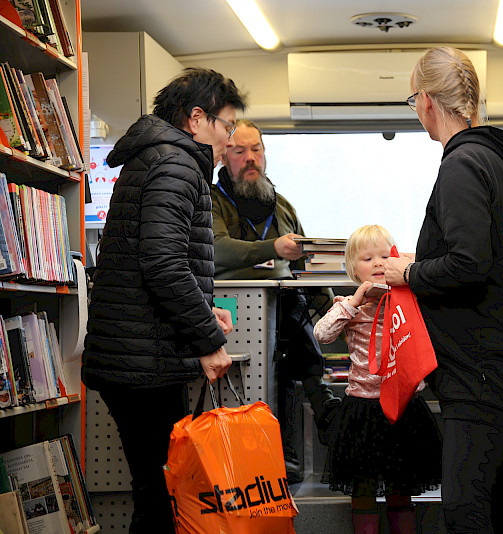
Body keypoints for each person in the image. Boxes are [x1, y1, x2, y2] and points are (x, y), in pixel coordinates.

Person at [384, 47, 503, 534]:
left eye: (413, 99)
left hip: (482, 373)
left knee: (463, 506)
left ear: (428, 100)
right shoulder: (488, 159)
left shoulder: (460, 164)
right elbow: (479, 253)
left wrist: (407, 275)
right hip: (500, 362)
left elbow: (469, 264)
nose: (416, 111)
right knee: (499, 503)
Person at [82, 68, 246, 532]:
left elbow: (153, 262)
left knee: (159, 493)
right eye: (227, 126)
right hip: (143, 364)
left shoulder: (157, 160)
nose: (230, 140)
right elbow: (162, 264)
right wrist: (209, 340)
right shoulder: (177, 165)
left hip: (138, 356)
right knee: (163, 497)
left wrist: (200, 307)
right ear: (197, 119)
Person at [211, 119, 341, 483]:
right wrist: (272, 247)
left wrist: (332, 304)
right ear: (225, 156)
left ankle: (326, 424)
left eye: (256, 150)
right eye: (240, 151)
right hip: (236, 306)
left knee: (297, 356)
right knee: (282, 363)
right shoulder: (212, 201)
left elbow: (302, 261)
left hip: (286, 304)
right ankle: (322, 418)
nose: (250, 158)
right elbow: (218, 250)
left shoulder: (280, 204)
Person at [313, 225, 442, 534]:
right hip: (363, 408)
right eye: (368, 258)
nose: (379, 263)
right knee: (363, 488)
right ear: (353, 270)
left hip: (402, 406)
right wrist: (354, 301)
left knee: (401, 488)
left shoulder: (408, 301)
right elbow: (322, 334)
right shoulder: (349, 307)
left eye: (385, 256)